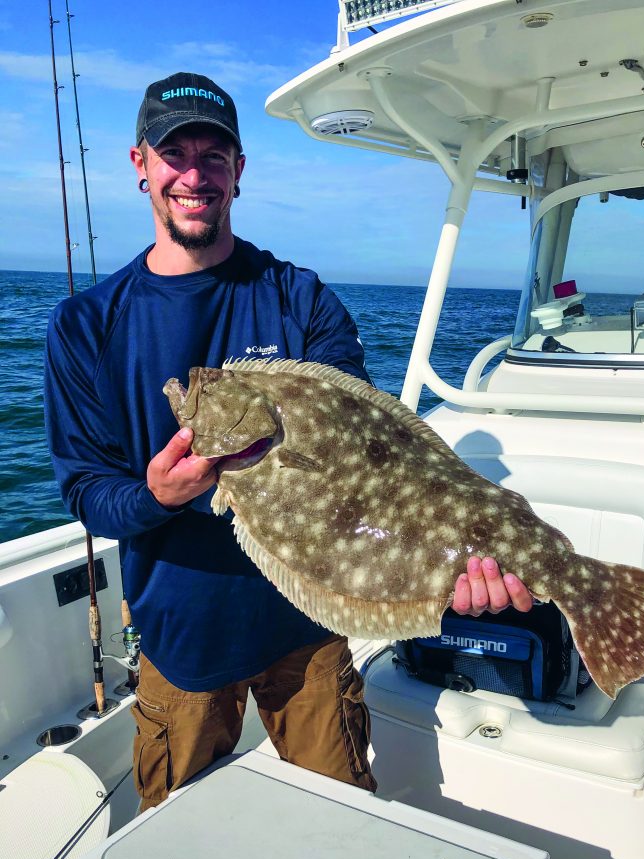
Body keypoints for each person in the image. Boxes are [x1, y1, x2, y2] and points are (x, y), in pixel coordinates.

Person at [44, 72, 533, 811]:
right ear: (141, 164)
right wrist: (156, 495)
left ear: (238, 172)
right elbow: (87, 490)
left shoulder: (298, 297)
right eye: (175, 153)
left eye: (215, 155)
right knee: (180, 843)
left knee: (341, 821)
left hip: (308, 629)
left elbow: (375, 456)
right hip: (181, 640)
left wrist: (463, 555)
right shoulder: (85, 324)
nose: (195, 174)